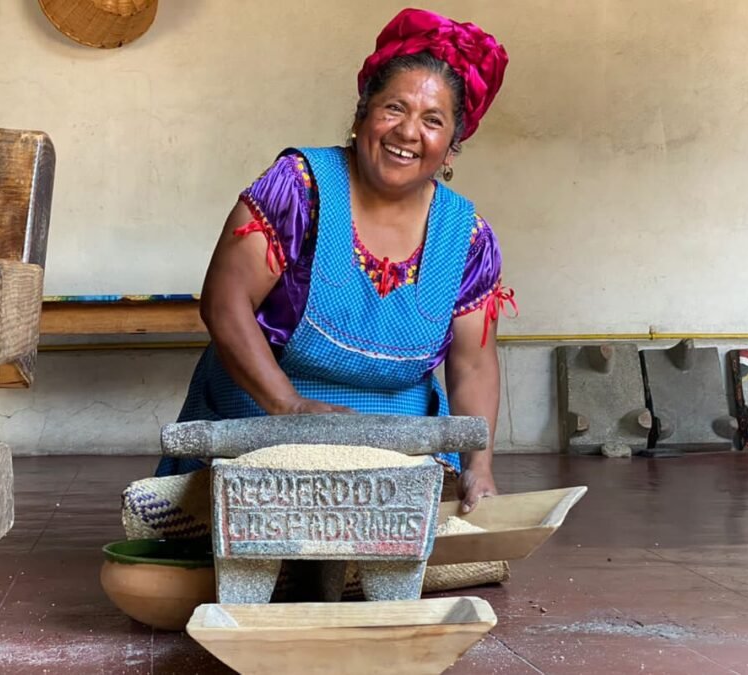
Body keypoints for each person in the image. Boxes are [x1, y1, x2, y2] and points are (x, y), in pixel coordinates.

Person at [156, 8, 515, 514]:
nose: (409, 132)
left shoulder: (468, 238)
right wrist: (289, 407)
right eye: (394, 108)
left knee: (407, 562)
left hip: (398, 452)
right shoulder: (298, 188)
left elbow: (473, 363)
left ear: (452, 147)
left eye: (433, 121)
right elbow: (225, 302)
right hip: (262, 423)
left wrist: (479, 469)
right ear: (361, 115)